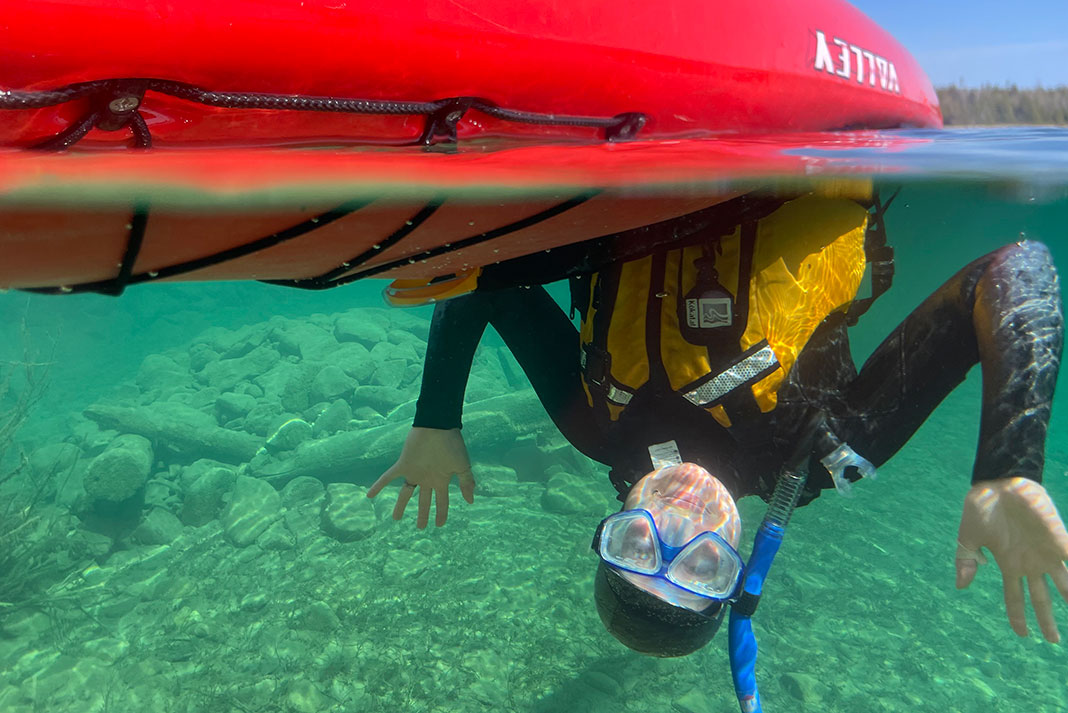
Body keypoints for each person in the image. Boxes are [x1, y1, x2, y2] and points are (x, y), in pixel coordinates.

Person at [368, 187, 1068, 657]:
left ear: (613, 527)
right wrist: (1009, 466)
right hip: (799, 162)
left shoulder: (594, 425)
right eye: (703, 565)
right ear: (742, 567)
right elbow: (1014, 269)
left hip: (646, 164)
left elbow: (488, 275)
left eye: (640, 549)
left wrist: (437, 419)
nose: (681, 524)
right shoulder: (822, 449)